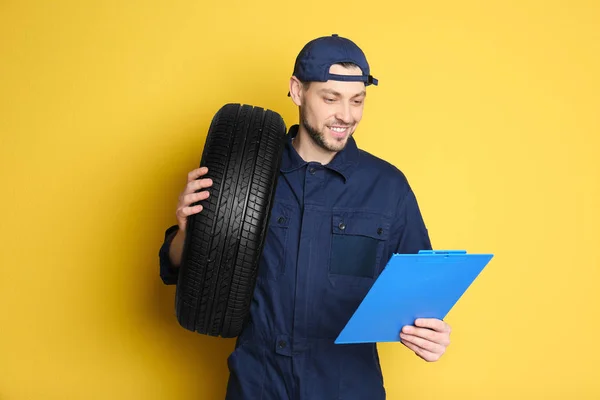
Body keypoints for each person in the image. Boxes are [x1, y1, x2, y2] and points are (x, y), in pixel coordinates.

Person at [158, 34, 452, 399]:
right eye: (331, 99)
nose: (346, 115)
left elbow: (420, 294)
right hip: (257, 385)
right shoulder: (244, 172)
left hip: (347, 389)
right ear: (297, 91)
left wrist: (431, 332)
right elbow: (177, 269)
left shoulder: (388, 186)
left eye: (357, 101)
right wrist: (191, 229)